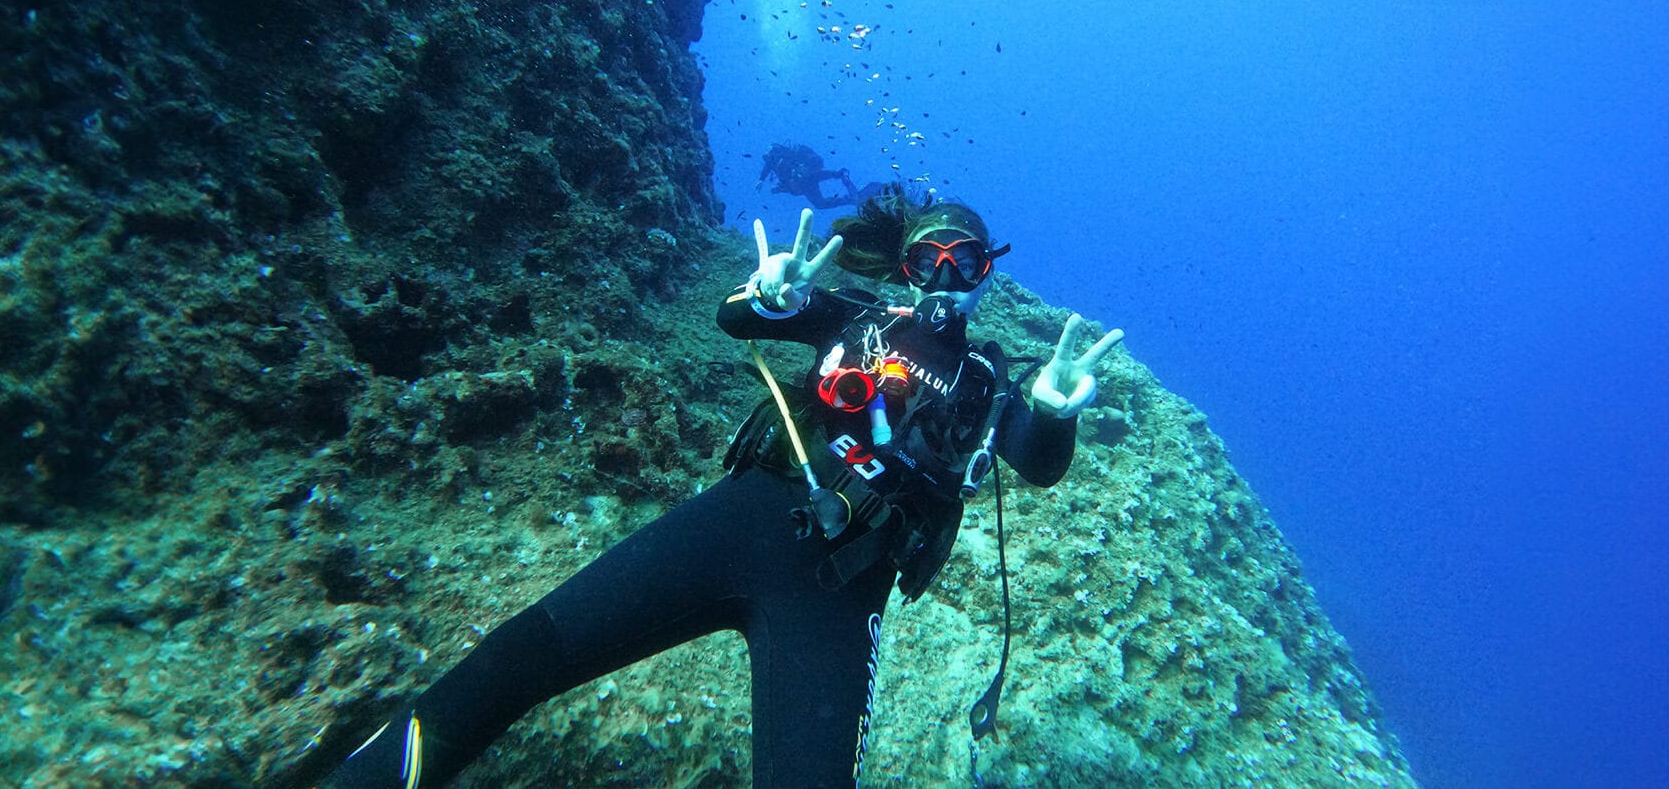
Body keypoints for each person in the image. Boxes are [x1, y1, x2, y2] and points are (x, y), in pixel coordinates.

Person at [313, 184, 1125, 788]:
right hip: (740, 518)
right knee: (522, 655)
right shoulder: (855, 314)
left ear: (987, 273)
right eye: (927, 258)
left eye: (964, 262)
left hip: (841, 594)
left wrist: (1054, 410)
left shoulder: (990, 385)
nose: (943, 277)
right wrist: (769, 291)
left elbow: (1038, 458)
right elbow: (743, 319)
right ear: (906, 265)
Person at [758, 142, 872, 209]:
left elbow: (816, 175)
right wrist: (762, 180)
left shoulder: (787, 164)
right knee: (820, 204)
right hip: (803, 184)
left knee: (819, 202)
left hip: (806, 181)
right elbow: (768, 168)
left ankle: (848, 196)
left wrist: (762, 180)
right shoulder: (776, 165)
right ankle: (848, 197)